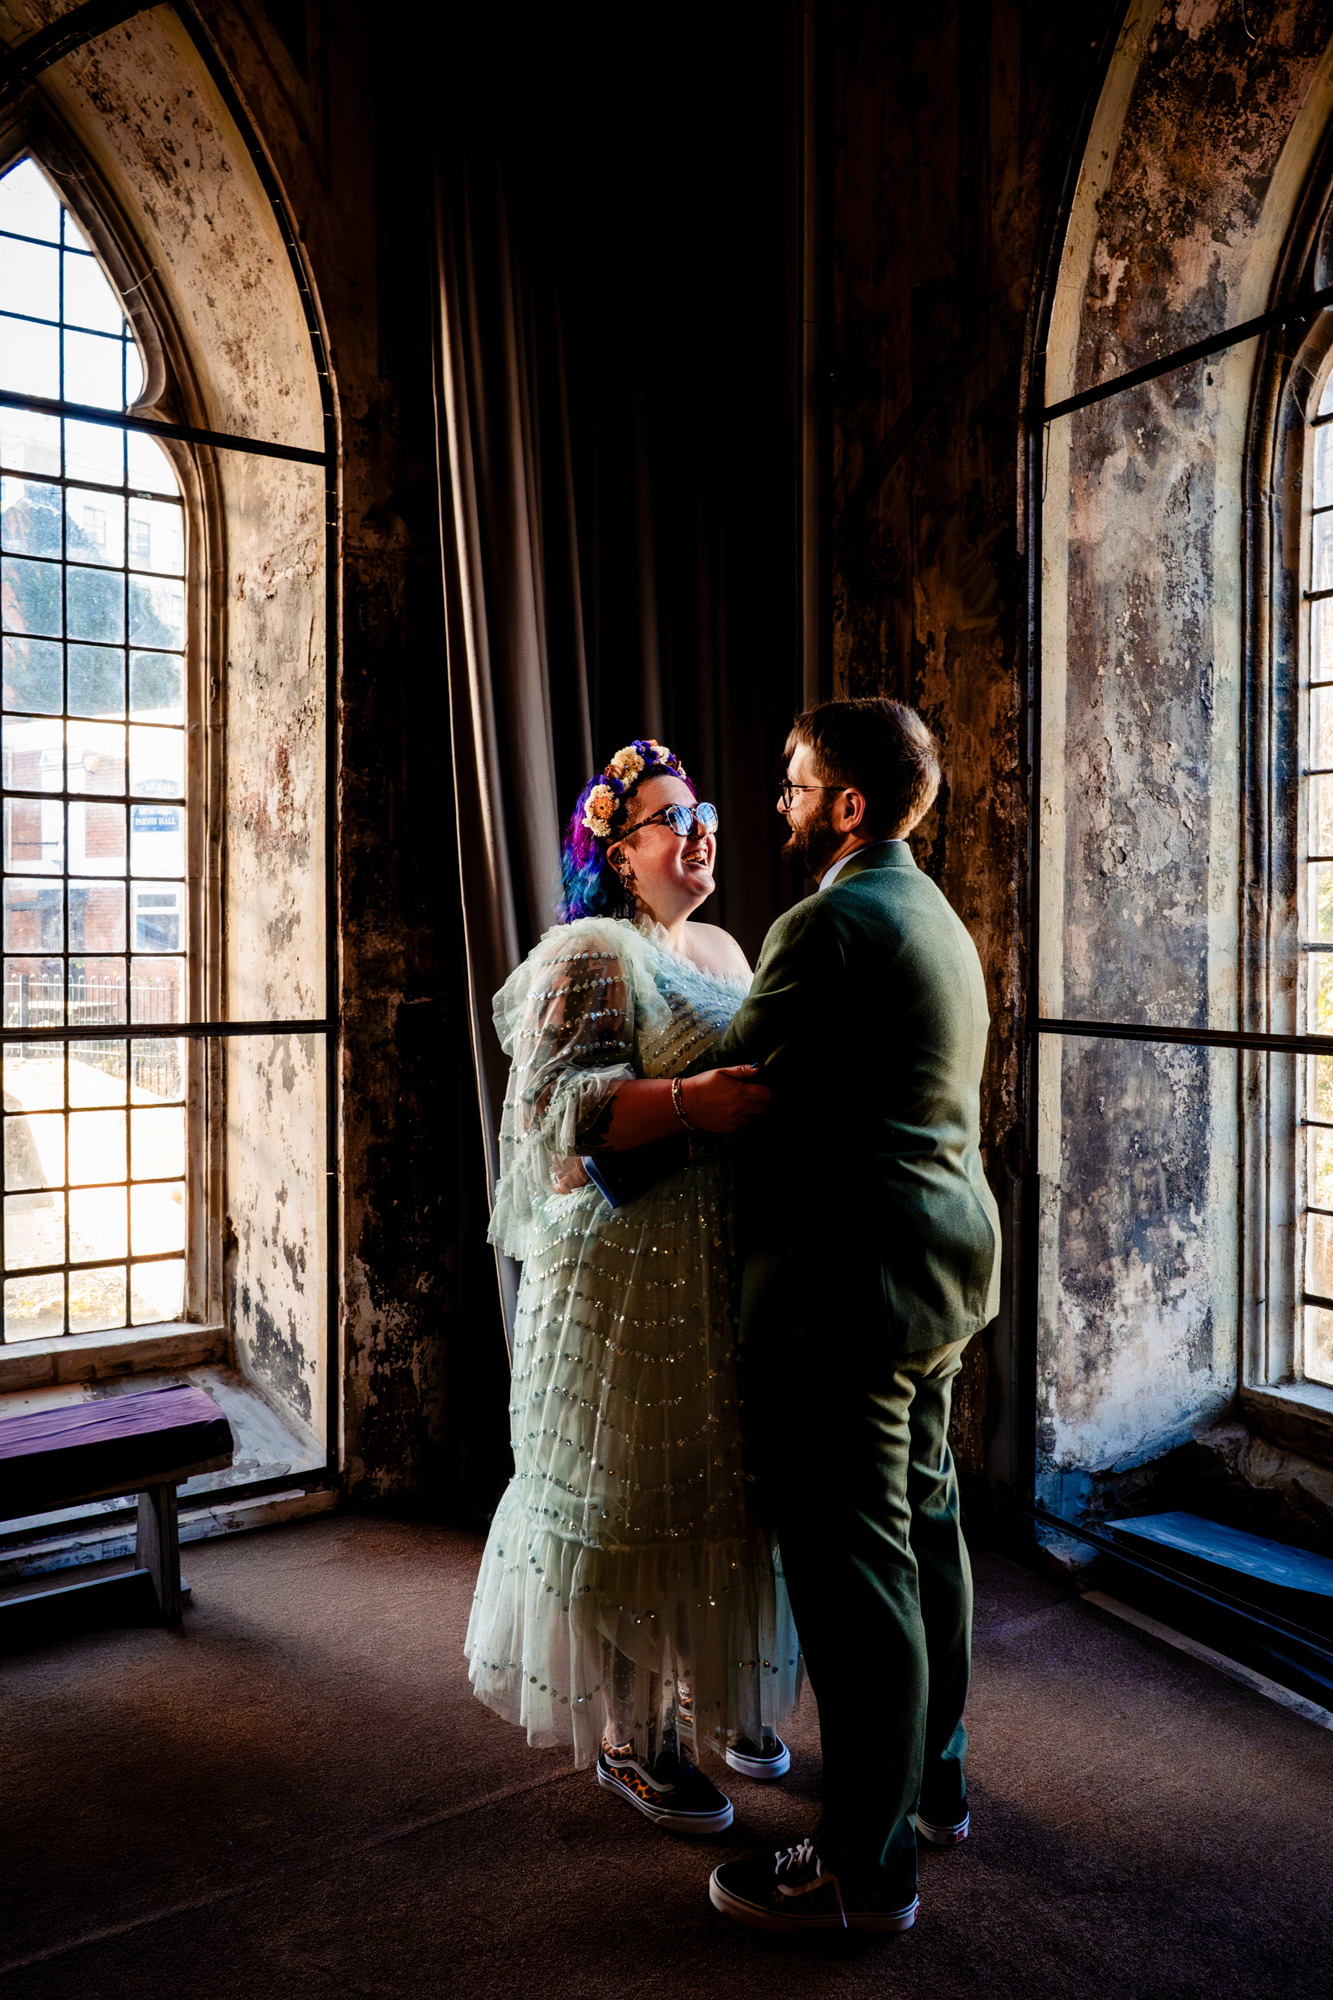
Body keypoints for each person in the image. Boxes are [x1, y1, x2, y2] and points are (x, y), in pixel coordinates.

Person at [466, 736, 801, 1835]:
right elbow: (552, 1117)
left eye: (700, 807)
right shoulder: (590, 947)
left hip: (714, 1257)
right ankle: (631, 1732)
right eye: (668, 815)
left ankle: (713, 1688)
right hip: (617, 1270)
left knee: (718, 1476)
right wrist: (691, 1103)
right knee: (624, 1492)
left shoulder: (716, 942)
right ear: (617, 852)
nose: (698, 827)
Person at [704, 697, 1001, 1933]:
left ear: (849, 805)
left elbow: (742, 1090)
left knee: (857, 1575)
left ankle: (865, 1869)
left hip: (846, 1294)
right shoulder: (931, 910)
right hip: (942, 1269)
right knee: (925, 1529)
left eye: (793, 780)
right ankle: (932, 1785)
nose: (777, 799)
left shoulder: (825, 922)